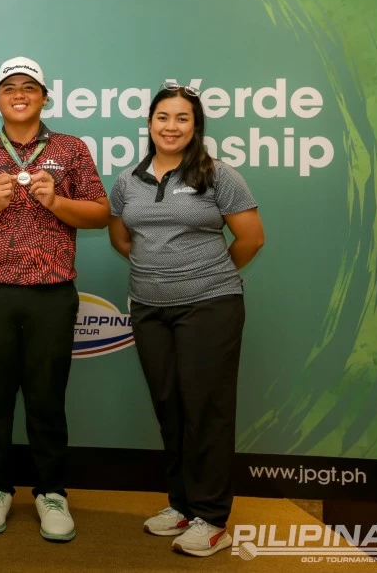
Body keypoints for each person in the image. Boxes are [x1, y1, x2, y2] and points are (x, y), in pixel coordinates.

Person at [0, 56, 109, 540]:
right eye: (9, 88)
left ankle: (51, 492)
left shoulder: (71, 149)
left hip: (51, 293)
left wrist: (56, 201)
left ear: (44, 97)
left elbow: (100, 214)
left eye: (29, 87)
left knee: (46, 396)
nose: (19, 94)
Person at [108, 82, 264, 558]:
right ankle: (181, 505)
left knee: (206, 410)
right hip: (150, 308)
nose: (170, 126)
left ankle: (213, 519)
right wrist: (159, 274)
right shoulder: (127, 181)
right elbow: (121, 236)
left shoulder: (219, 176)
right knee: (169, 405)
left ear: (196, 127)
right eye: (162, 117)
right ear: (149, 123)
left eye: (181, 118)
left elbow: (251, 239)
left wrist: (205, 275)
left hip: (210, 305)